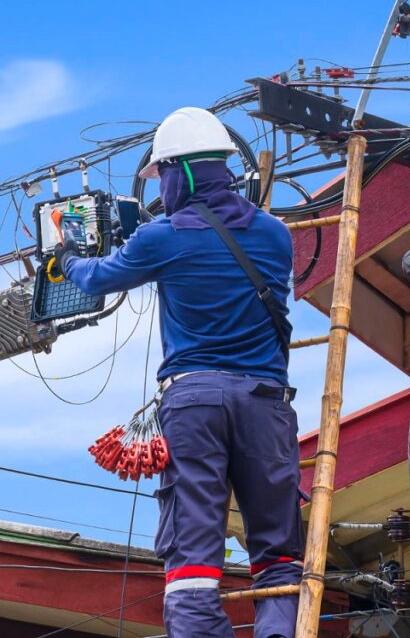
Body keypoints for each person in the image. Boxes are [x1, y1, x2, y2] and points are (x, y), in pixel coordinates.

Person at [53, 107, 302, 638]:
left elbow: (99, 279)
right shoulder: (276, 235)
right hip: (266, 403)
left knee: (192, 542)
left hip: (194, 404)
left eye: (161, 177)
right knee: (278, 548)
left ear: (176, 175)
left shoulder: (160, 238)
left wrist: (68, 253)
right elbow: (217, 242)